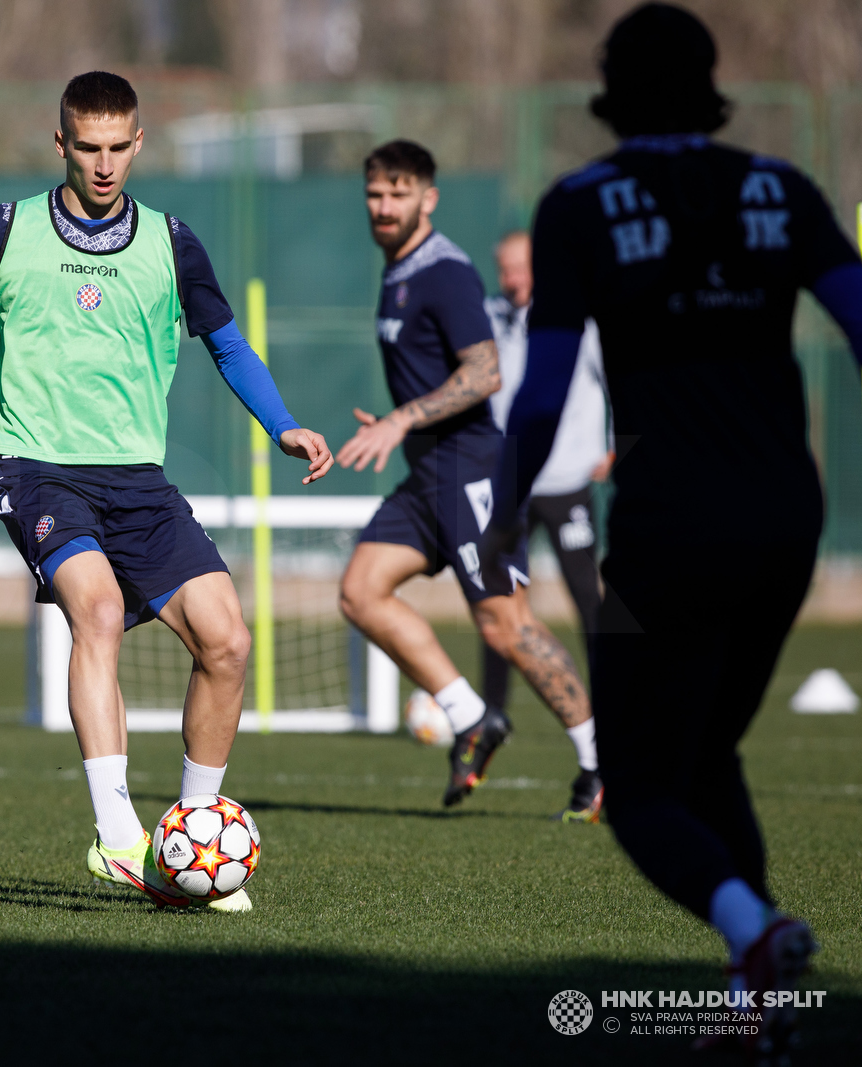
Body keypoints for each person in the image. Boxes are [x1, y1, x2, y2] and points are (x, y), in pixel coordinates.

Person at [0, 72, 332, 911]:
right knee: (97, 610)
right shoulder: (7, 230)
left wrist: (280, 422)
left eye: (119, 148)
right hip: (34, 465)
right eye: (88, 148)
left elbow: (226, 344)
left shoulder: (173, 242)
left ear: (138, 145)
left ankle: (193, 830)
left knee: (228, 640)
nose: (104, 166)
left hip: (136, 476)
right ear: (61, 143)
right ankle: (116, 834)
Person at [485, 5, 862, 1057]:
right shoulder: (778, 188)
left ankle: (760, 931)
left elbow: (545, 388)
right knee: (708, 756)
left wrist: (503, 517)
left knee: (643, 783)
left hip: (667, 527)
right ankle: (762, 1012)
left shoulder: (578, 205)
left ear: (608, 92)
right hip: (787, 514)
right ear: (710, 85)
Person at [336, 140, 596, 814]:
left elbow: (486, 372)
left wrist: (401, 420)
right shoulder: (396, 268)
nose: (385, 206)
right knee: (362, 590)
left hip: (473, 468)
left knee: (506, 626)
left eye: (400, 193)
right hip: (429, 474)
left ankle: (601, 762)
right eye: (375, 194)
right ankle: (473, 717)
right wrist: (405, 425)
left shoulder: (443, 271)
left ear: (429, 197)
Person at [479, 231, 611, 821]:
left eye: (522, 268)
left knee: (590, 598)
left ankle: (612, 708)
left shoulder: (581, 320)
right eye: (506, 269)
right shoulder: (492, 318)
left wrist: (615, 449)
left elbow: (619, 385)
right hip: (513, 484)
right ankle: (492, 714)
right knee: (499, 599)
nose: (514, 279)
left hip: (568, 481)